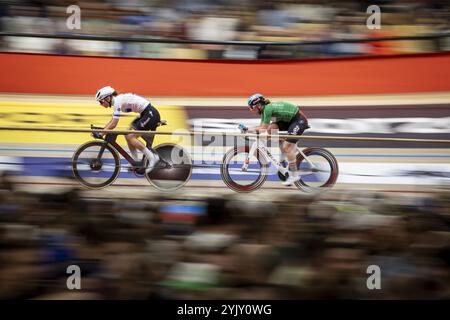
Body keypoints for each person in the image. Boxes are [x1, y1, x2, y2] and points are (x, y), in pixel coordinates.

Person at [242, 93, 309, 186]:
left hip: (299, 120)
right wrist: (250, 130)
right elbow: (263, 128)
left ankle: (294, 175)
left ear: (258, 105)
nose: (252, 110)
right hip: (290, 121)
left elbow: (262, 129)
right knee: (271, 129)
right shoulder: (264, 110)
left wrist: (248, 129)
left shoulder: (267, 109)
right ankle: (283, 155)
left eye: (252, 108)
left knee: (287, 146)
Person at [95, 86, 160, 173]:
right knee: (127, 135)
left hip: (150, 114)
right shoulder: (117, 101)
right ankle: (135, 162)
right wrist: (102, 130)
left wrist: (101, 134)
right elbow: (112, 121)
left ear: (107, 98)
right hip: (145, 114)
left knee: (130, 137)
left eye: (101, 101)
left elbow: (114, 124)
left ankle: (152, 158)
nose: (101, 104)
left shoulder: (117, 101)